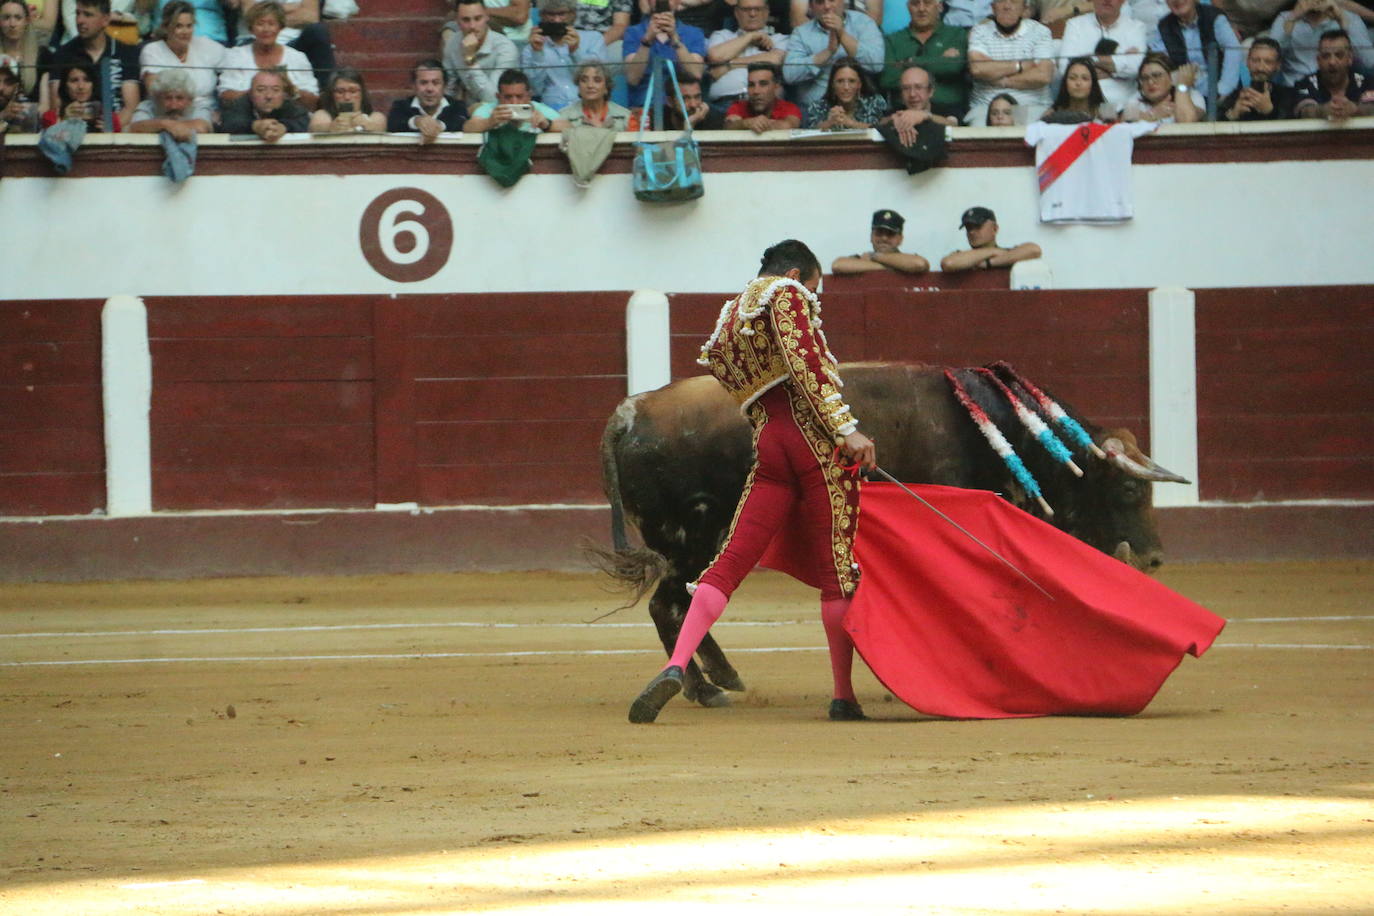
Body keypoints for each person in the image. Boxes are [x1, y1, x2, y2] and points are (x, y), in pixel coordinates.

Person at [627, 239, 877, 725]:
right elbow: (806, 365)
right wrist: (846, 430)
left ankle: (677, 663)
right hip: (810, 441)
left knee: (728, 562)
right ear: (801, 273)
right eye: (815, 287)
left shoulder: (732, 313)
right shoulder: (786, 294)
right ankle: (843, 696)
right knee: (837, 571)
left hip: (768, 441)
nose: (813, 297)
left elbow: (735, 380)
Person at [47, 0, 141, 121]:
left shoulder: (126, 53)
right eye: (78, 14)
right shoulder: (62, 55)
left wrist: (111, 128)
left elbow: (131, 108)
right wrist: (65, 116)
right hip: (73, 129)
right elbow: (55, 107)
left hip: (115, 132)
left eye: (88, 15)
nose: (79, 20)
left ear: (105, 20)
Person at [782, 0, 884, 110]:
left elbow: (876, 64)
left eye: (832, 0)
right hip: (815, 107)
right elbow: (789, 75)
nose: (827, 6)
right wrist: (828, 52)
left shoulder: (864, 23)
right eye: (819, 2)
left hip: (858, 106)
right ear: (811, 7)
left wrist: (842, 33)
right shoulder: (801, 33)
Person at [966, 0, 1053, 125]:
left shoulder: (1040, 32)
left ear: (1024, 8)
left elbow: (1043, 75)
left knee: (1033, 135)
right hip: (986, 107)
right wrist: (1019, 66)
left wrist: (1000, 79)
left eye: (1014, 1)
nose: (1007, 6)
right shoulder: (979, 31)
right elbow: (978, 69)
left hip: (1031, 105)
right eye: (1001, 1)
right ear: (993, 7)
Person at [218, 1, 318, 108]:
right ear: (251, 28)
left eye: (271, 24)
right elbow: (225, 96)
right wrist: (256, 93)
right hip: (246, 114)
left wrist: (292, 90)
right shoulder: (235, 55)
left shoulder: (298, 58)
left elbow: (313, 102)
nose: (266, 29)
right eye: (260, 24)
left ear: (280, 28)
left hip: (288, 115)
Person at [880, 0, 968, 122]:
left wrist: (910, 62)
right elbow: (888, 79)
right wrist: (939, 62)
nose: (921, 9)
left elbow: (953, 67)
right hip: (903, 111)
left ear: (940, 7)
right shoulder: (893, 40)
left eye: (927, 3)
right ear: (908, 8)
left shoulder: (956, 34)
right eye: (915, 4)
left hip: (948, 111)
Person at [1059, 0, 1146, 115]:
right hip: (1084, 105)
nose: (1107, 0)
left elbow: (1137, 67)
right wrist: (1117, 63)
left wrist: (1087, 65)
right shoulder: (1075, 25)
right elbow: (1064, 68)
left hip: (1124, 105)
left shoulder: (1136, 27)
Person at [224, 0, 336, 88]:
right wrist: (291, 8)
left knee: (318, 31)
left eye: (274, 22)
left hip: (295, 43)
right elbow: (250, 14)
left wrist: (267, 15)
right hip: (254, 40)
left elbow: (310, 16)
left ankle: (327, 97)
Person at [1146, 0, 1240, 103]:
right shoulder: (1164, 26)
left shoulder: (1214, 17)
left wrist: (1223, 89)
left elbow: (1233, 51)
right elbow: (1156, 60)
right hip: (1185, 92)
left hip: (1220, 91)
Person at [140, 1, 225, 112]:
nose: (185, 32)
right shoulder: (152, 50)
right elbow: (154, 92)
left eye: (189, 26)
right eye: (178, 26)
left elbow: (235, 64)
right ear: (165, 27)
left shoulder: (208, 46)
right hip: (164, 111)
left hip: (204, 111)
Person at [705, 0, 787, 114]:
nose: (752, 14)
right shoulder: (722, 35)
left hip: (766, 107)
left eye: (757, 9)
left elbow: (775, 60)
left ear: (767, 12)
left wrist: (729, 65)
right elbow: (715, 56)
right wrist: (750, 37)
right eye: (746, 9)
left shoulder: (780, 39)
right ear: (736, 13)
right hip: (725, 105)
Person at [521, 0, 605, 112]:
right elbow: (535, 90)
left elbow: (600, 80)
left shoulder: (594, 39)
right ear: (541, 15)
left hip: (588, 107)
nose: (556, 20)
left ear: (573, 14)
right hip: (552, 111)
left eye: (561, 14)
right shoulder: (530, 49)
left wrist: (576, 51)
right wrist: (537, 54)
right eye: (551, 14)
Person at [622, 0, 706, 109]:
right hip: (644, 107)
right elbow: (632, 78)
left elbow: (696, 74)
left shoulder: (694, 32)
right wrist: (647, 41)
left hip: (682, 108)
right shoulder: (633, 32)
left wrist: (675, 40)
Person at [1269, 0, 1374, 87]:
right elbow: (1269, 61)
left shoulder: (1348, 18)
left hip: (1339, 89)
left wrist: (1342, 22)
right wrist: (1292, 19)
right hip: (1295, 89)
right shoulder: (1285, 18)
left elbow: (1369, 62)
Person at [444, 0, 519, 106]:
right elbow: (449, 90)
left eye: (477, 18)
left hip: (502, 110)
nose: (472, 26)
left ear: (487, 16)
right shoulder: (452, 44)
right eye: (466, 20)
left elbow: (493, 98)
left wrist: (470, 60)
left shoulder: (506, 48)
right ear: (457, 20)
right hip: (467, 111)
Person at [1294, 28, 1374, 119]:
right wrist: (1322, 111)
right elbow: (1304, 112)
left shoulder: (1368, 82)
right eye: (1326, 56)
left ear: (1350, 59)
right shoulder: (1305, 83)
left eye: (1339, 55)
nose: (1332, 62)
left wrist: (1355, 110)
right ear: (1318, 60)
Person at [940, 205, 1042, 272]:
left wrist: (989, 263)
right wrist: (993, 251)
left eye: (977, 226)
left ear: (995, 228)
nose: (972, 232)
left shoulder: (1009, 253)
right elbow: (949, 263)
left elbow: (1034, 250)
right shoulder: (961, 256)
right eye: (968, 228)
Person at [463, 66, 567, 131]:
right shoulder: (490, 109)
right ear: (498, 97)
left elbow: (568, 127)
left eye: (519, 96)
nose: (514, 102)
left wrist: (547, 124)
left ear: (529, 96)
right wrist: (489, 122)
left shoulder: (538, 109)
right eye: (508, 97)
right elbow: (468, 128)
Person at [831, 209, 931, 275]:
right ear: (871, 236)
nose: (884, 238)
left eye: (890, 234)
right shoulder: (859, 258)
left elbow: (919, 264)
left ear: (900, 239)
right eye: (879, 233)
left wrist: (875, 257)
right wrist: (894, 267)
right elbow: (837, 265)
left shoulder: (908, 259)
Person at [386, 59, 468, 139]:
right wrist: (417, 121)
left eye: (436, 83)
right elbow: (394, 123)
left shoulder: (457, 106)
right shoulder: (401, 106)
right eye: (423, 83)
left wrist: (437, 126)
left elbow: (460, 123)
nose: (429, 89)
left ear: (444, 86)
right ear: (413, 86)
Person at [1219, 36, 1295, 121]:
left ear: (1278, 66)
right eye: (1255, 60)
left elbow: (1295, 128)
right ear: (1247, 62)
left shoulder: (1287, 96)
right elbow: (1215, 126)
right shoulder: (1235, 96)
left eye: (1268, 62)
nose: (1260, 68)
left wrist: (1270, 111)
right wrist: (1233, 114)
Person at [220, 66, 309, 138]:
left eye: (275, 90)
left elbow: (304, 121)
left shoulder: (289, 105)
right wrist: (255, 126)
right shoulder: (240, 104)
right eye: (261, 90)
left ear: (283, 94)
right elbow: (228, 124)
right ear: (250, 93)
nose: (269, 96)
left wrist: (283, 127)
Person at [127, 65, 213, 136]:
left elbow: (202, 128)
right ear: (157, 98)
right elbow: (134, 128)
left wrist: (171, 126)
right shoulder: (147, 106)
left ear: (190, 99)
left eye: (179, 98)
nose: (173, 105)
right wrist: (165, 124)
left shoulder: (198, 106)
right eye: (168, 98)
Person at [802, 58, 889, 127]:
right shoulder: (818, 107)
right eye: (840, 81)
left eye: (852, 81)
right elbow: (810, 133)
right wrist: (829, 123)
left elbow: (885, 130)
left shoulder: (875, 102)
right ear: (832, 85)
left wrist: (852, 124)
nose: (846, 87)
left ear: (859, 84)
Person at [1118, 48, 1199, 121]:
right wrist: (1153, 114)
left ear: (1172, 77)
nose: (1150, 82)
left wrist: (1182, 86)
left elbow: (1187, 120)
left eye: (1157, 75)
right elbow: (1124, 120)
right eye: (1145, 78)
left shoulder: (1191, 95)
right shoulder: (1137, 99)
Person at [1, 0, 52, 114]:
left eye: (18, 18)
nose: (12, 24)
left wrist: (27, 113)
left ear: (27, 21)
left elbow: (45, 106)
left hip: (32, 125)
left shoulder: (43, 56)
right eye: (6, 18)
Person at [41, 58, 122, 128]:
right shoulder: (50, 118)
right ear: (65, 86)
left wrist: (108, 132)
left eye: (87, 80)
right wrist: (64, 120)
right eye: (74, 80)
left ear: (94, 84)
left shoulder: (109, 118)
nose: (81, 86)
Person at [724, 61, 802, 130]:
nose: (756, 91)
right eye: (751, 85)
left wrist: (762, 124)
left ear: (776, 86)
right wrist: (747, 123)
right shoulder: (738, 107)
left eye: (763, 84)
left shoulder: (789, 108)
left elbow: (790, 125)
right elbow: (728, 126)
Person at [308, 66, 385, 131]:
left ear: (362, 93)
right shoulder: (322, 115)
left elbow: (379, 126)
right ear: (332, 94)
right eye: (340, 92)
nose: (347, 97)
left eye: (353, 91)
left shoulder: (375, 116)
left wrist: (369, 125)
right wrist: (330, 128)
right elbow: (316, 127)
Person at [558, 59, 633, 125]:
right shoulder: (563, 116)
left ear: (606, 87)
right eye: (584, 80)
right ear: (578, 86)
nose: (590, 85)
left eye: (597, 80)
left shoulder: (625, 117)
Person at [1042, 55, 1117, 120]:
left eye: (1085, 78)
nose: (1078, 83)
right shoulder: (1051, 114)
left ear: (1093, 83)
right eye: (1072, 78)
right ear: (1065, 82)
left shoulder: (1107, 112)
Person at [660, 68, 725, 127]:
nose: (693, 105)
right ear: (670, 102)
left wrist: (690, 124)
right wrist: (689, 126)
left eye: (697, 97)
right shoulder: (657, 119)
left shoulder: (715, 119)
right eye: (685, 98)